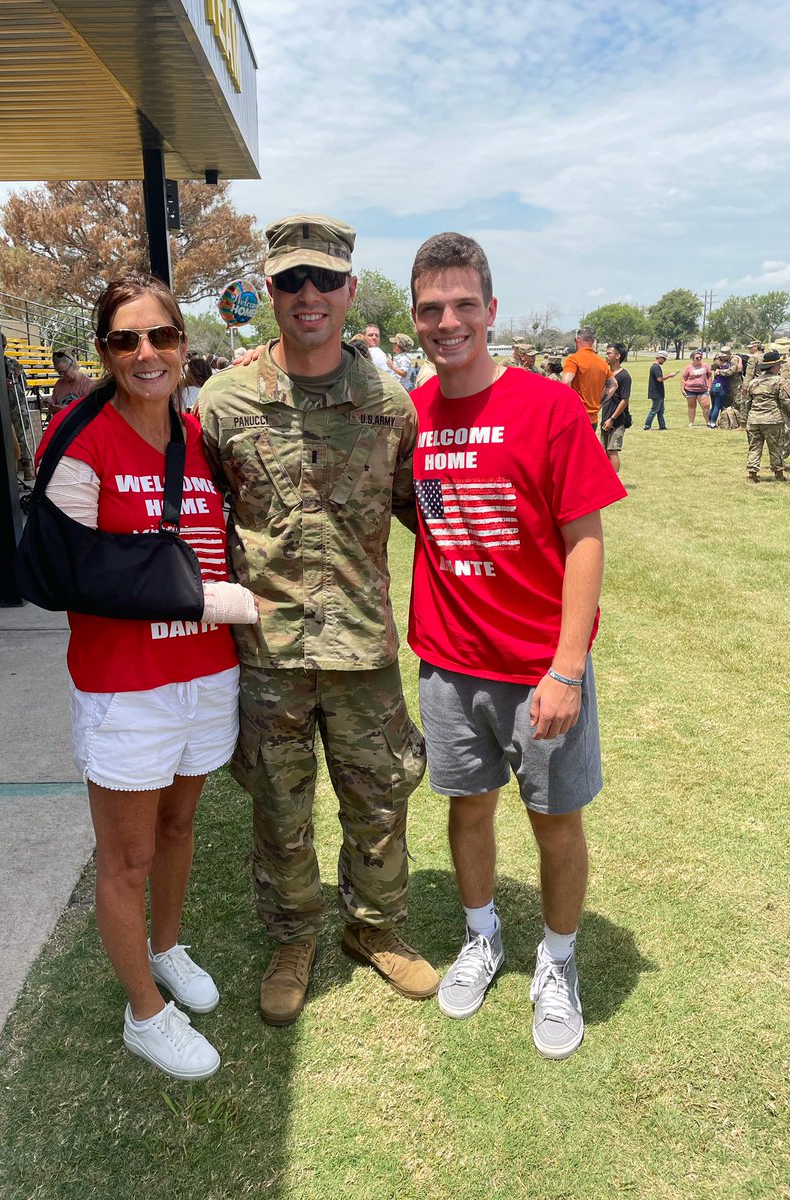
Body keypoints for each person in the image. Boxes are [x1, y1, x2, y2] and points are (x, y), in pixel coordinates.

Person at [197, 214, 436, 1027]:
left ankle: (375, 930)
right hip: (268, 652)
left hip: (362, 646)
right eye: (292, 281)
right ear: (269, 291)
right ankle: (294, 938)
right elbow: (199, 520)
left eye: (325, 281)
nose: (309, 296)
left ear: (349, 291)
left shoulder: (387, 402)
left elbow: (427, 512)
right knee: (279, 802)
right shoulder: (224, 402)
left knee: (379, 798)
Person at [407, 232, 626, 1059]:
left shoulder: (547, 405)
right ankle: (481, 936)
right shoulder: (413, 415)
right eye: (432, 309)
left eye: (464, 305)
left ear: (490, 311)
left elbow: (585, 540)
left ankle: (559, 963)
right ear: (418, 320)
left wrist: (567, 667)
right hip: (449, 664)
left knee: (555, 821)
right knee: (468, 809)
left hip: (541, 670)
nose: (448, 322)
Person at [36, 273, 259, 1080]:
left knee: (178, 826)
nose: (146, 353)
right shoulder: (76, 436)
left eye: (161, 336)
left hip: (206, 673)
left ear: (183, 345)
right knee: (124, 858)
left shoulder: (198, 439)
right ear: (105, 351)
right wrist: (220, 599)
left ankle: (166, 948)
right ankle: (144, 1014)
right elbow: (74, 574)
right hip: (125, 686)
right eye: (126, 340)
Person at [745, 350, 790, 482]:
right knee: (776, 446)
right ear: (775, 367)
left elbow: (747, 402)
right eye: (779, 365)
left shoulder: (753, 382)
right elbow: (785, 402)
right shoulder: (780, 381)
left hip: (754, 419)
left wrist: (747, 417)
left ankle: (752, 473)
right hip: (772, 420)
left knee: (754, 446)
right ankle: (779, 473)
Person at [562, 327, 609, 429]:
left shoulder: (573, 359)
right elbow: (613, 384)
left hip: (576, 416)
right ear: (592, 341)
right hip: (593, 419)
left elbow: (566, 382)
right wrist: (600, 401)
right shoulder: (602, 363)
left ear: (577, 340)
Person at [2, 335, 34, 480]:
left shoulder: (12, 363)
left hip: (14, 406)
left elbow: (24, 385)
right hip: (0, 406)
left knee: (20, 437)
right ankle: (10, 472)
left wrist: (17, 378)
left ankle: (27, 468)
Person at [600, 342, 631, 473]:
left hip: (616, 420)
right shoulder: (606, 373)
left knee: (612, 450)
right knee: (603, 451)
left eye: (609, 353)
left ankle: (615, 481)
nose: (606, 356)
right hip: (605, 417)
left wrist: (612, 419)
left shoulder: (624, 376)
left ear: (618, 356)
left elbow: (625, 400)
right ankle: (606, 480)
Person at [48, 349, 95, 415]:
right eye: (59, 372)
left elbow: (93, 412)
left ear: (73, 366)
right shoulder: (59, 384)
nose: (61, 376)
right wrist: (51, 405)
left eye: (64, 372)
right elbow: (54, 408)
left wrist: (68, 409)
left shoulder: (89, 385)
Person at [643, 350, 677, 429]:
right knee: (654, 410)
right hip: (656, 393)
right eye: (664, 359)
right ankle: (647, 425)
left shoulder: (656, 367)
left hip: (659, 393)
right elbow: (659, 379)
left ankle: (662, 426)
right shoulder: (655, 367)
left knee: (661, 411)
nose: (664, 361)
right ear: (660, 358)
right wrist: (670, 375)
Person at [681, 351, 713, 427]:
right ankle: (691, 422)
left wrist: (709, 387)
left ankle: (708, 422)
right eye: (697, 358)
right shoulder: (688, 367)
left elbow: (710, 377)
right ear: (692, 358)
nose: (699, 359)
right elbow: (683, 379)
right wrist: (682, 389)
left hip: (703, 390)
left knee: (706, 406)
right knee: (691, 407)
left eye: (700, 357)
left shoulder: (705, 366)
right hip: (690, 390)